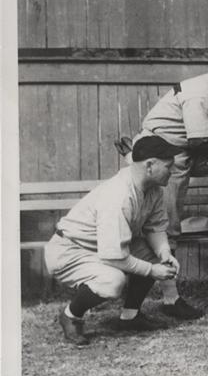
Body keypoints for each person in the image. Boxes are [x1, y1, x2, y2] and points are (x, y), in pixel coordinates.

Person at [118, 50, 208, 319]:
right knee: (166, 224)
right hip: (161, 155)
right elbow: (201, 140)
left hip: (188, 149)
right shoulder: (200, 94)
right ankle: (171, 299)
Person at [45, 136, 183, 346]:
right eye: (168, 166)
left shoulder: (153, 188)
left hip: (101, 247)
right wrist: (152, 270)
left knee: (156, 258)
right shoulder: (119, 195)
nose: (171, 171)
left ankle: (130, 317)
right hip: (71, 249)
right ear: (149, 165)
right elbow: (114, 257)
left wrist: (164, 252)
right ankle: (71, 315)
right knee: (113, 281)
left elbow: (155, 227)